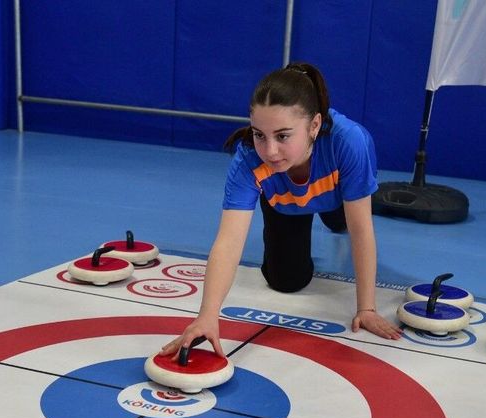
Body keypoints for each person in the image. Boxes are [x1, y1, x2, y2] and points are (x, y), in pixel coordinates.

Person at [160, 62, 401, 358]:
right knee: (286, 281)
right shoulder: (249, 159)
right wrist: (207, 315)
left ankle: (334, 216)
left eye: (283, 136)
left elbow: (361, 230)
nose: (270, 150)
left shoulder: (350, 142)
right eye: (259, 134)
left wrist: (367, 308)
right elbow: (228, 241)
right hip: (286, 202)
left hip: (337, 196)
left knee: (344, 222)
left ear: (314, 126)